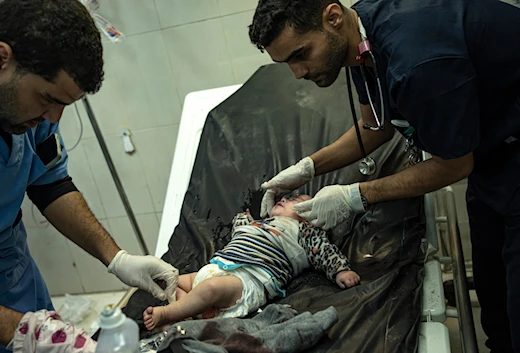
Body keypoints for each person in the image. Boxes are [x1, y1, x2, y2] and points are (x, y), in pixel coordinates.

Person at [248, 0, 520, 351]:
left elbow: (454, 164)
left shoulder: (417, 59)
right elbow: (374, 126)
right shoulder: (362, 43)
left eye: (301, 54)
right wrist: (306, 169)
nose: (298, 73)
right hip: (493, 161)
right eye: (286, 63)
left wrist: (355, 195)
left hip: (505, 153)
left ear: (332, 18)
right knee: (496, 304)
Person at [0, 1, 178, 352]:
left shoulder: (20, 86)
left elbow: (50, 183)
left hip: (17, 282)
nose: (53, 119)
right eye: (47, 99)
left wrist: (116, 258)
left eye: (64, 106)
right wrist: (26, 333)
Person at [143, 195, 360, 330]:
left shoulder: (305, 231)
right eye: (286, 197)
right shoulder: (261, 224)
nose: (285, 198)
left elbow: (323, 251)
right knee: (169, 280)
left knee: (209, 289)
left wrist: (340, 270)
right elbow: (240, 228)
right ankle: (189, 312)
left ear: (310, 216)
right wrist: (244, 218)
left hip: (249, 280)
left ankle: (170, 314)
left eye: (295, 200)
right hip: (219, 266)